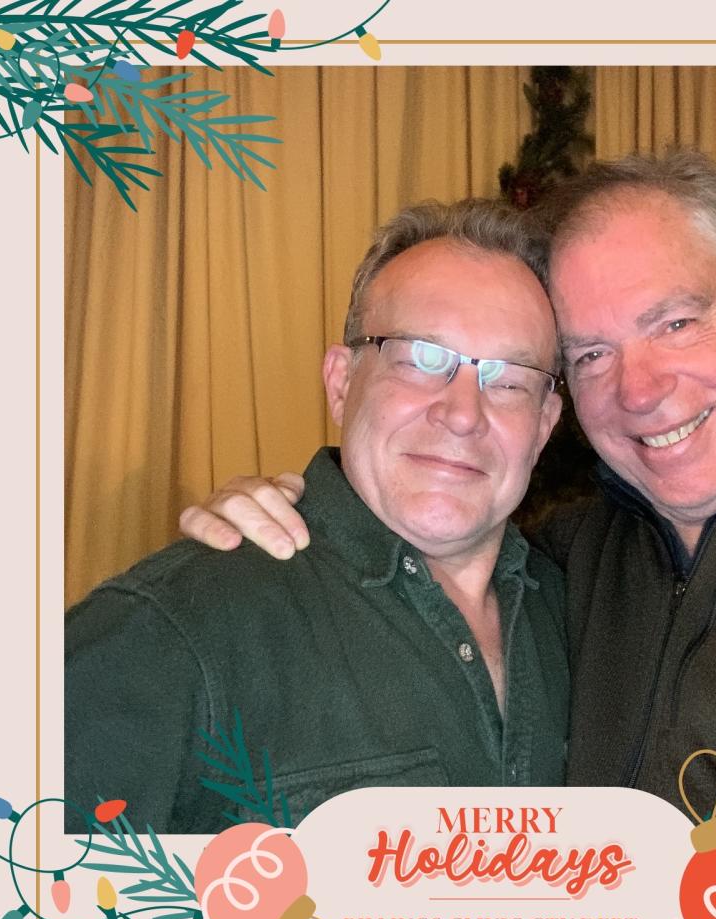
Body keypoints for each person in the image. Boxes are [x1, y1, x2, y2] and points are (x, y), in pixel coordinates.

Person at [180, 150, 716, 834]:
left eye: (675, 322)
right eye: (592, 355)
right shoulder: (554, 569)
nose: (639, 390)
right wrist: (287, 514)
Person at [65, 199, 569, 833]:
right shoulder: (168, 633)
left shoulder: (578, 614)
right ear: (340, 382)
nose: (463, 413)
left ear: (544, 424)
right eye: (420, 358)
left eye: (510, 379)